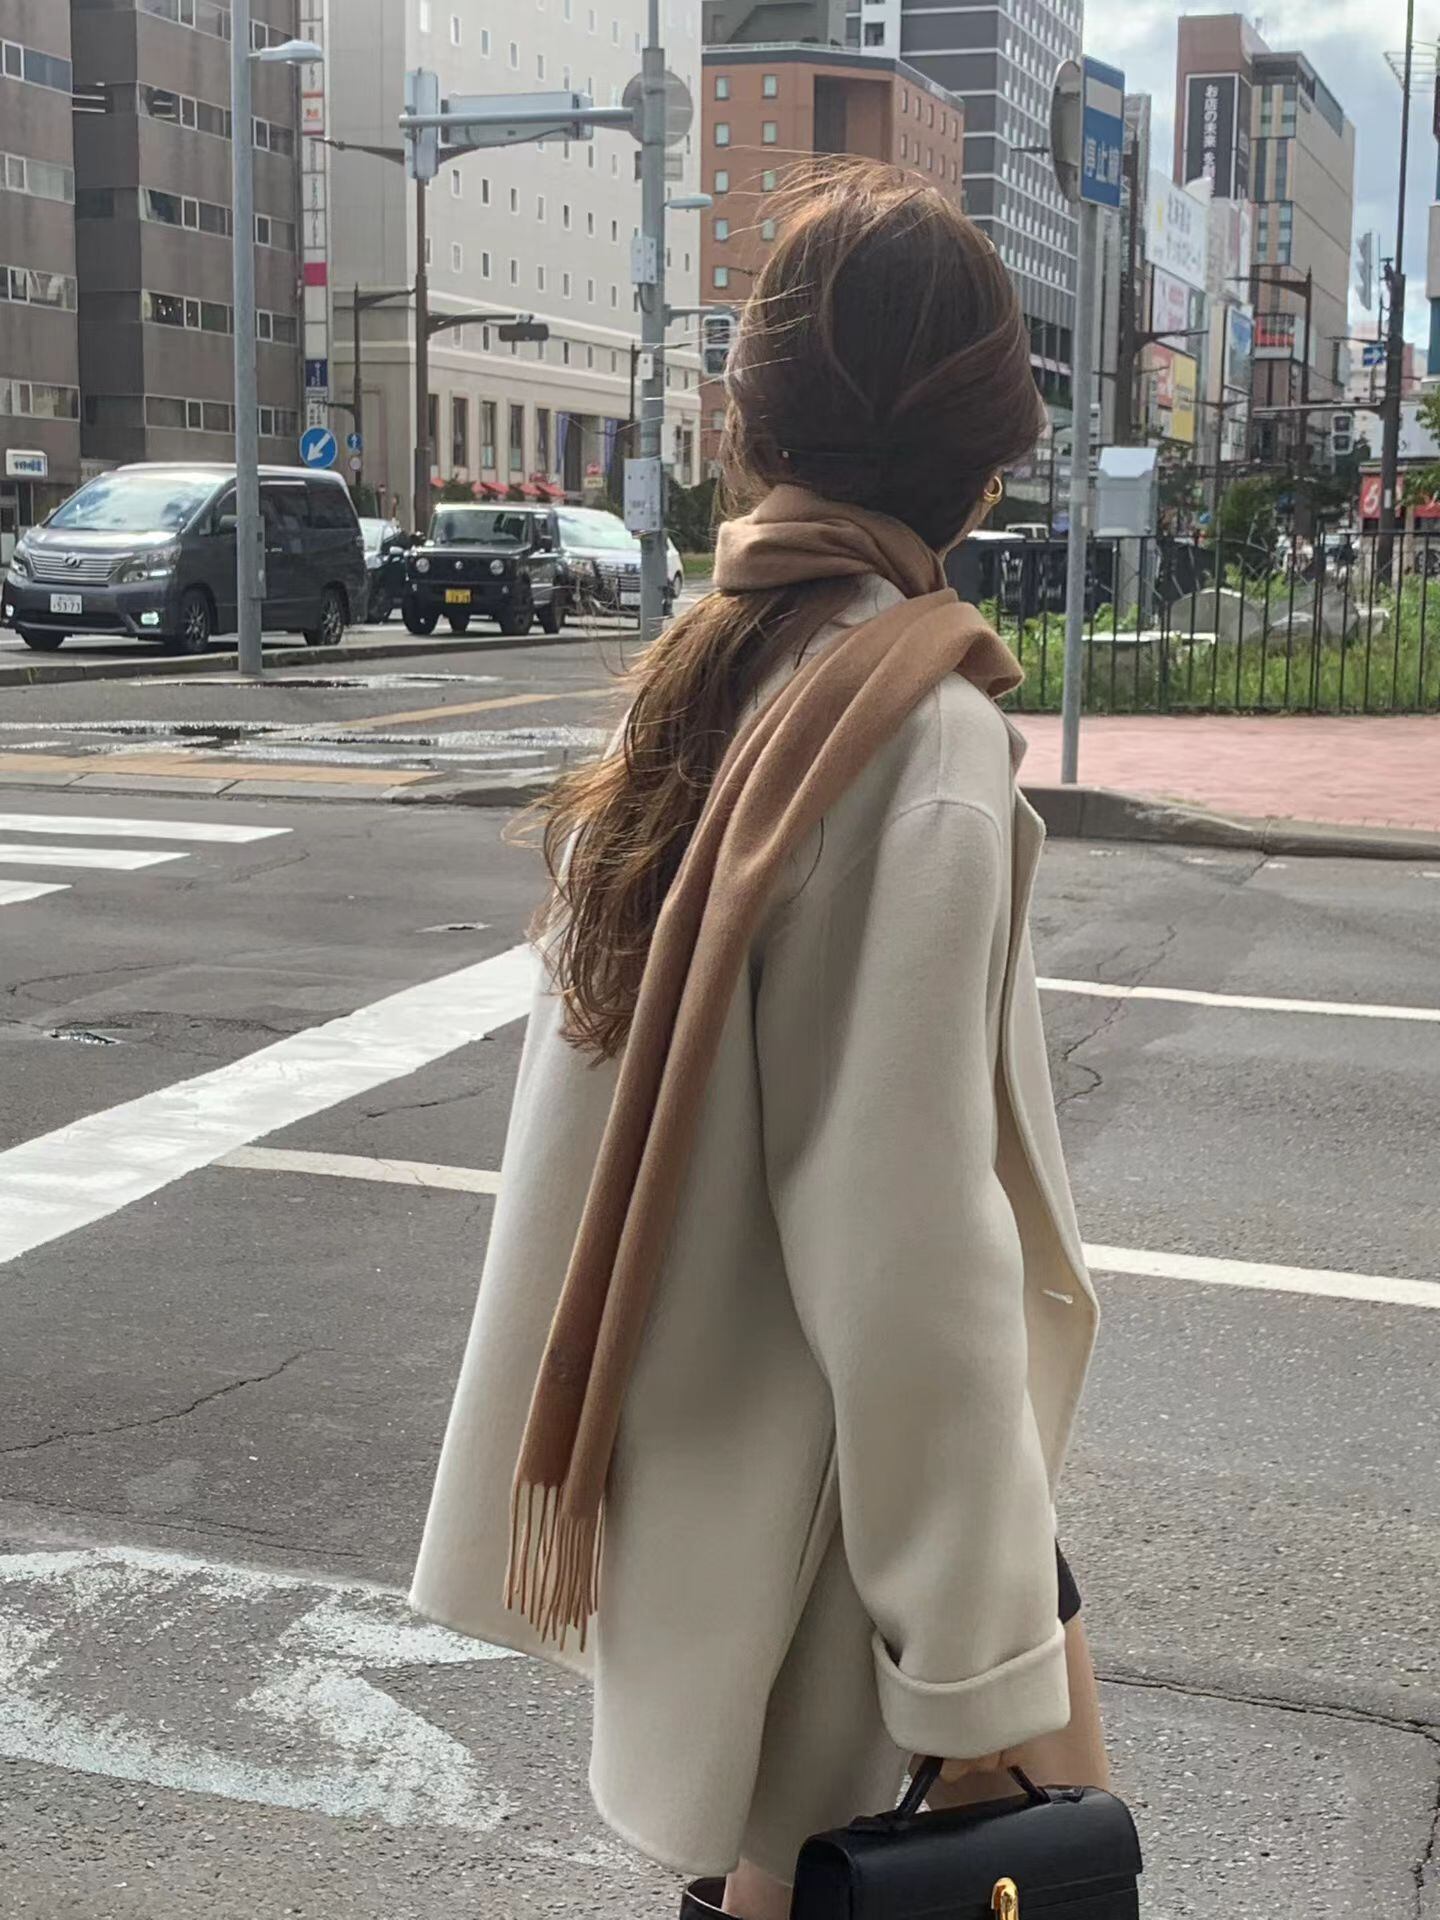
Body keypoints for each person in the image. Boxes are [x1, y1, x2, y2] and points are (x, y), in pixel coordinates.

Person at [411, 158, 1109, 1919]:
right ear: (990, 461)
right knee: (986, 1861)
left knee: (782, 1877)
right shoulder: (913, 729)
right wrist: (970, 1672)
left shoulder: (717, 662)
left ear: (747, 427)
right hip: (840, 1503)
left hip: (730, 1457)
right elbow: (905, 1241)